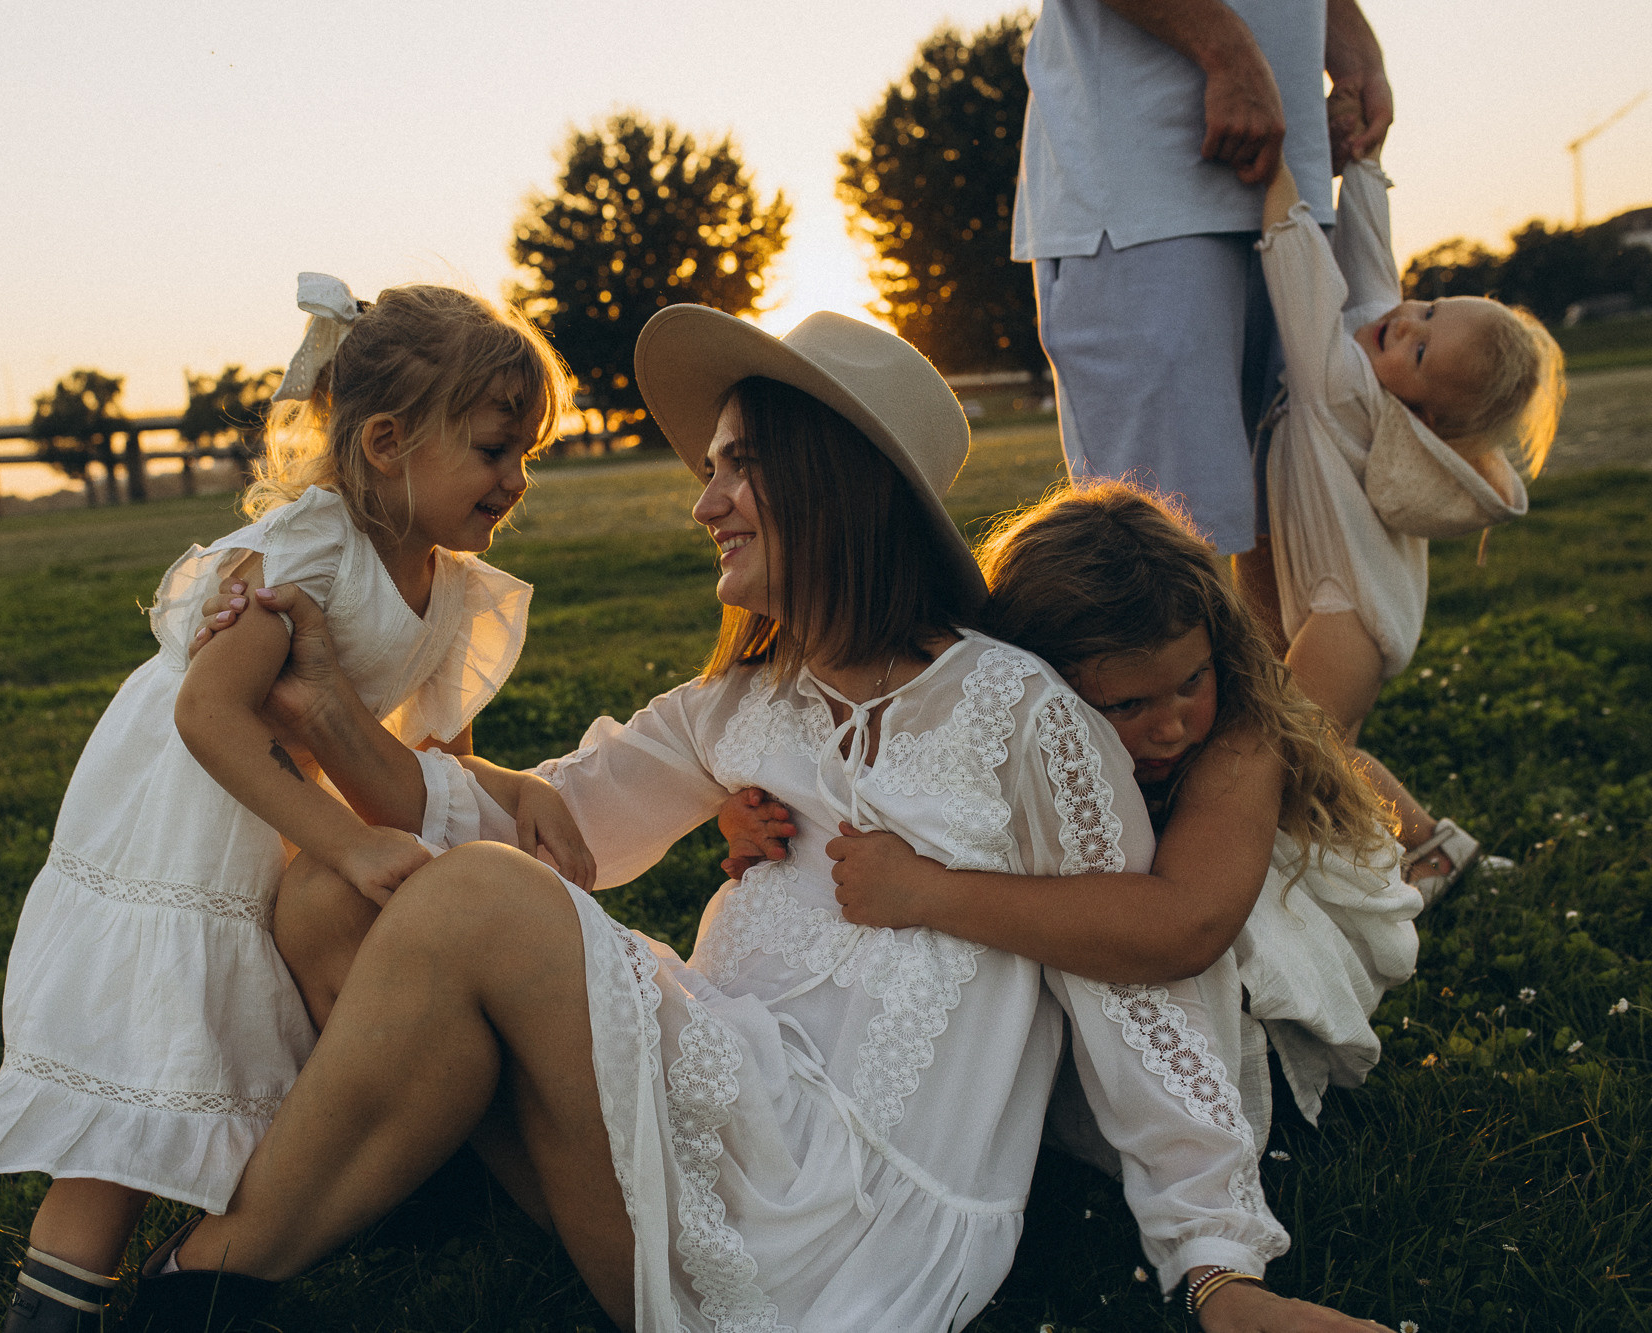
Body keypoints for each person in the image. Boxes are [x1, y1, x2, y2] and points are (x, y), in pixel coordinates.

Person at [132, 308, 1390, 1332]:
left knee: (463, 899)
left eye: (737, 466)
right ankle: (297, 1238)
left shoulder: (1015, 711)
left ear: (827, 483)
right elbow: (544, 828)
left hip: (849, 1203)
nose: (706, 501)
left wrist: (1219, 1269)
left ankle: (204, 1273)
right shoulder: (738, 705)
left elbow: (1135, 995)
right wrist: (328, 710)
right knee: (334, 890)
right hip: (713, 1122)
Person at [0, 276, 588, 1331]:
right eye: (492, 449)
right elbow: (208, 712)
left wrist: (505, 787)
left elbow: (425, 761)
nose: (514, 478)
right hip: (189, 831)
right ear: (387, 442)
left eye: (526, 452)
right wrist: (344, 845)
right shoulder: (306, 552)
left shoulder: (449, 580)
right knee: (147, 1067)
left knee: (239, 1058)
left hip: (282, 827)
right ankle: (53, 1307)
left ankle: (273, 1236)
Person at [724, 481, 1419, 1146]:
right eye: (1125, 706)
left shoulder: (1239, 740)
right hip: (1079, 960)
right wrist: (768, 823)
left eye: (1190, 682)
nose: (1173, 727)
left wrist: (926, 891)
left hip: (1241, 1005)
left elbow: (1185, 926)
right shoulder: (1005, 728)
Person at [1253, 152, 1564, 900]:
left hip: (1341, 620)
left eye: (1419, 348)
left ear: (1425, 415)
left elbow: (1304, 280)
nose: (1400, 323)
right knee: (1323, 752)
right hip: (1360, 616)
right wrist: (1362, 166)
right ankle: (1422, 851)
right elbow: (1373, 270)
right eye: (1430, 308)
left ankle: (1414, 854)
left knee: (1295, 756)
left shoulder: (1348, 385)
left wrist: (1274, 179)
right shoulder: (1383, 369)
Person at [1012, 0, 1393, 599]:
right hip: (1143, 184)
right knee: (1157, 564)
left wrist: (1355, 53)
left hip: (1292, 186)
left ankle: (1282, 698)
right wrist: (1226, 50)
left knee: (1302, 539)